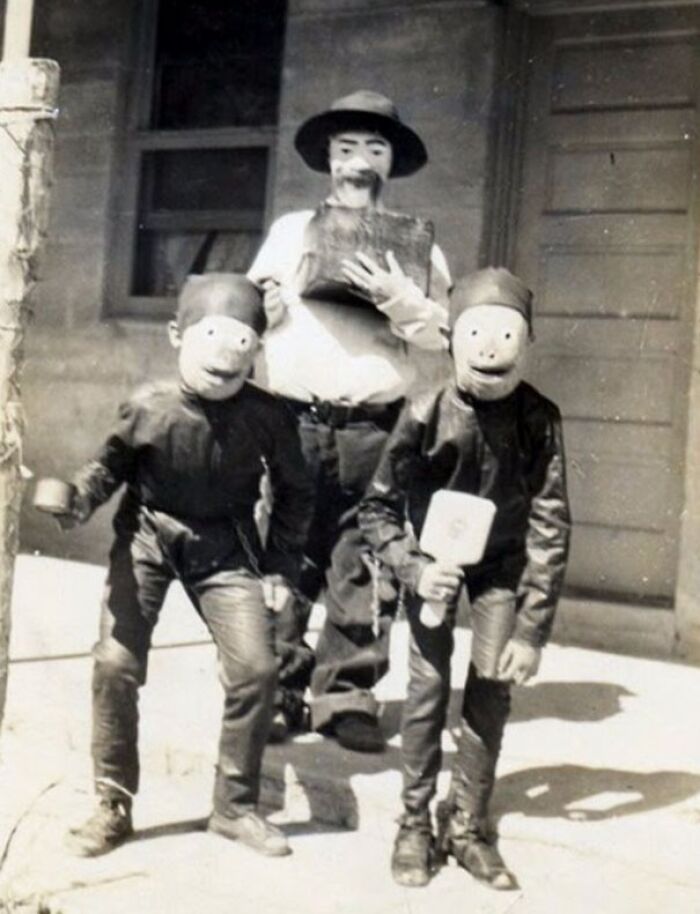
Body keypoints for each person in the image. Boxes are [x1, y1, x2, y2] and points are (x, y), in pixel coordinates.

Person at [57, 274, 314, 858]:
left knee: (256, 669)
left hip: (227, 544)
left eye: (241, 342)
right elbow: (106, 469)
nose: (225, 356)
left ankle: (234, 807)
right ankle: (112, 803)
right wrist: (78, 501)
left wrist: (279, 568)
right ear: (177, 334)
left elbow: (296, 492)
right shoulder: (147, 405)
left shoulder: (270, 416)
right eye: (211, 336)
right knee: (116, 662)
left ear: (257, 349)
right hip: (148, 536)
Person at [248, 89, 451, 752]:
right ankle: (277, 691)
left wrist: (400, 299)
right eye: (346, 149)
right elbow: (247, 314)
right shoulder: (290, 232)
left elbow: (442, 338)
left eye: (374, 149)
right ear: (329, 161)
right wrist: (264, 308)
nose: (359, 163)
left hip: (374, 428)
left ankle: (347, 697)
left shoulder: (419, 246)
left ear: (390, 163)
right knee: (285, 552)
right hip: (294, 420)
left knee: (362, 559)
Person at [357, 267, 571, 888]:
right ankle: (413, 822)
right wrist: (414, 568)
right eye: (476, 333)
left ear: (528, 342)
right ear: (451, 339)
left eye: (507, 334)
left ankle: (467, 823)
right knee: (427, 690)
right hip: (434, 566)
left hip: (501, 569)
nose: (490, 349)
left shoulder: (539, 418)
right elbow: (376, 509)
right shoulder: (423, 412)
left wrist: (531, 630)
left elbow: (551, 522)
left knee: (492, 684)